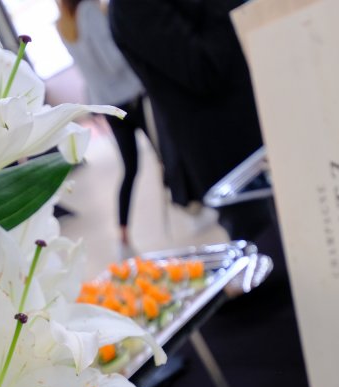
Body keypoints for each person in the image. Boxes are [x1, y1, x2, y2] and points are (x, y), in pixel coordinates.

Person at [109, 0, 270, 239]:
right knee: (267, 239)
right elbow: (202, 69)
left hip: (250, 133)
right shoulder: (132, 6)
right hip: (229, 151)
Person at [56, 0, 147, 246]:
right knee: (167, 152)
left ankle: (123, 232)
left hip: (107, 103)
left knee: (130, 167)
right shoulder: (90, 11)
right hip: (130, 95)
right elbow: (112, 61)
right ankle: (194, 206)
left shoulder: (64, 23)